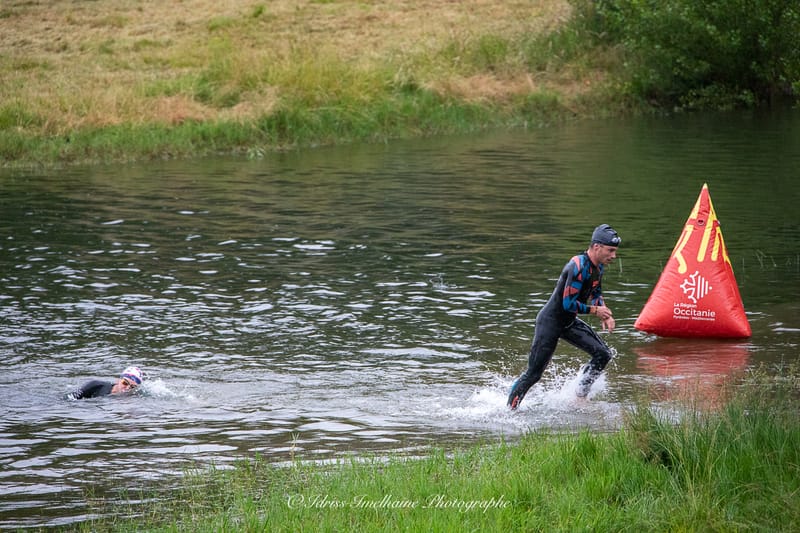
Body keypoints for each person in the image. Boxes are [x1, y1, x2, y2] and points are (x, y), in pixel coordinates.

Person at [507, 224, 621, 410]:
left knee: (603, 355)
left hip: (568, 322)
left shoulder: (598, 268)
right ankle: (509, 410)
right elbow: (568, 304)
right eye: (610, 250)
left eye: (615, 251)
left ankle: (579, 397)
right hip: (550, 323)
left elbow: (596, 292)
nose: (613, 256)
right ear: (597, 247)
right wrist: (594, 311)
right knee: (534, 374)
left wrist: (604, 313)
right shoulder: (577, 266)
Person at [71, 366, 144, 399]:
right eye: (125, 383)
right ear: (118, 380)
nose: (127, 388)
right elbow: (69, 399)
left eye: (132, 387)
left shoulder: (133, 397)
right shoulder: (95, 385)